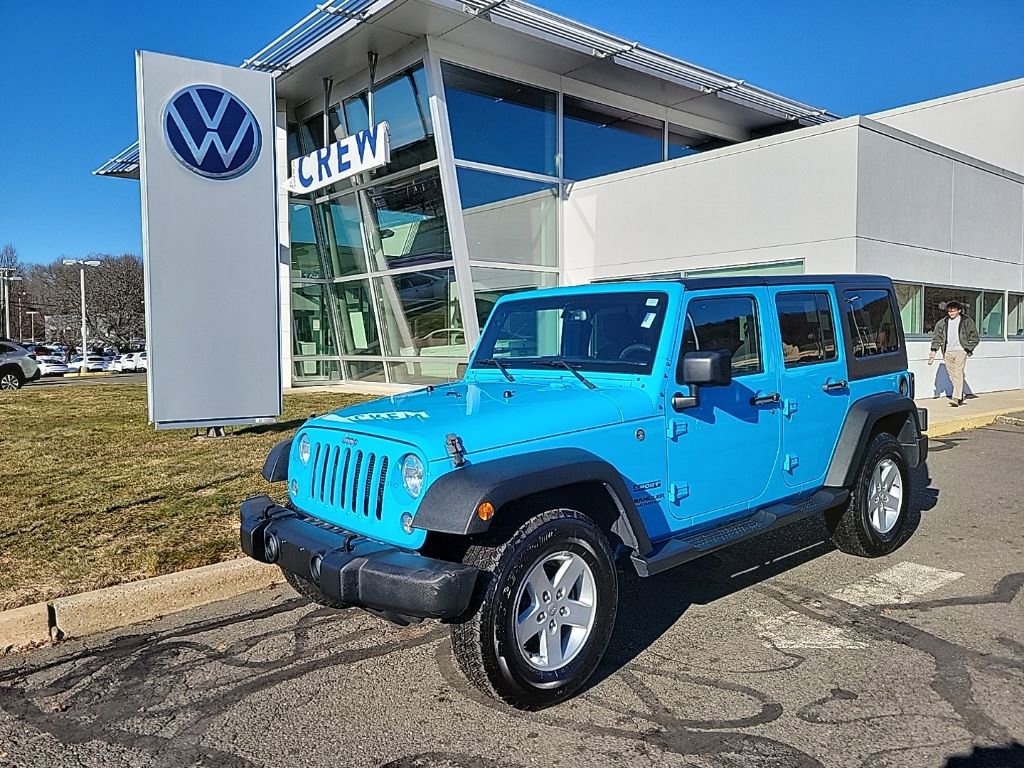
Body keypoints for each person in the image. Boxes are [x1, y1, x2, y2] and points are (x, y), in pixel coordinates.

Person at [928, 301, 979, 406]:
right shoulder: (942, 323)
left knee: (958, 373)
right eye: (949, 311)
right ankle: (959, 395)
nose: (951, 313)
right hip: (947, 351)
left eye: (953, 311)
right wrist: (934, 350)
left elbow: (975, 337)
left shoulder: (966, 321)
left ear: (959, 310)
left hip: (961, 350)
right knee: (952, 375)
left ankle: (956, 398)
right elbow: (937, 337)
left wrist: (967, 349)